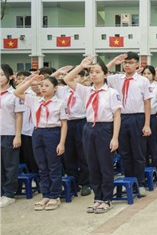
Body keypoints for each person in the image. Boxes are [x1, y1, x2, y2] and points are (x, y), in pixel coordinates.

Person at [64, 56, 122, 213]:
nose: (94, 75)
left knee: (105, 165)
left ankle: (107, 199)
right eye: (91, 72)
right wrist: (81, 66)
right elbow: (67, 79)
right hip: (89, 128)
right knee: (93, 165)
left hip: (105, 128)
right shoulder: (86, 91)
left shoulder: (111, 93)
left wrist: (115, 137)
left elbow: (117, 116)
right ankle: (98, 198)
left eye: (97, 72)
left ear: (105, 74)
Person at [14, 74, 67, 211]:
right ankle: (45, 194)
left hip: (53, 132)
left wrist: (61, 143)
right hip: (37, 132)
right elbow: (17, 92)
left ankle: (55, 195)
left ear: (55, 88)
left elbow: (64, 124)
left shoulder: (60, 103)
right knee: (42, 166)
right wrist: (30, 81)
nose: (43, 88)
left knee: (53, 166)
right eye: (41, 85)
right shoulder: (35, 100)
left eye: (47, 86)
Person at [106, 52, 151, 196]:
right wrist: (113, 61)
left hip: (137, 117)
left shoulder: (143, 81)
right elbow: (101, 73)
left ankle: (140, 183)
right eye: (125, 63)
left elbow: (147, 103)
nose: (127, 65)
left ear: (137, 64)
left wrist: (147, 124)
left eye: (130, 62)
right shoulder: (117, 79)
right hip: (121, 118)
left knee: (138, 152)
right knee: (124, 153)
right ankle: (129, 181)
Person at [53, 66, 91, 196]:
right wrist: (58, 72)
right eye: (71, 76)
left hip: (81, 122)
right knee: (69, 155)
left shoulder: (85, 90)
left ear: (82, 78)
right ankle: (73, 182)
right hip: (66, 123)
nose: (73, 79)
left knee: (83, 154)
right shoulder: (61, 90)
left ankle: (85, 183)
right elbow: (47, 81)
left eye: (76, 76)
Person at [0, 65, 24, 208]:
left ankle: (9, 193)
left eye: (2, 75)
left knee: (10, 165)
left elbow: (19, 116)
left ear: (10, 77)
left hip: (9, 133)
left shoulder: (14, 94)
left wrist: (17, 135)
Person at [142, 65, 157, 173]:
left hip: (153, 117)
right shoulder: (139, 86)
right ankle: (144, 167)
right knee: (142, 144)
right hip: (141, 117)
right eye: (144, 73)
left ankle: (155, 167)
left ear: (153, 75)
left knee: (153, 143)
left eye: (149, 73)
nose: (146, 76)